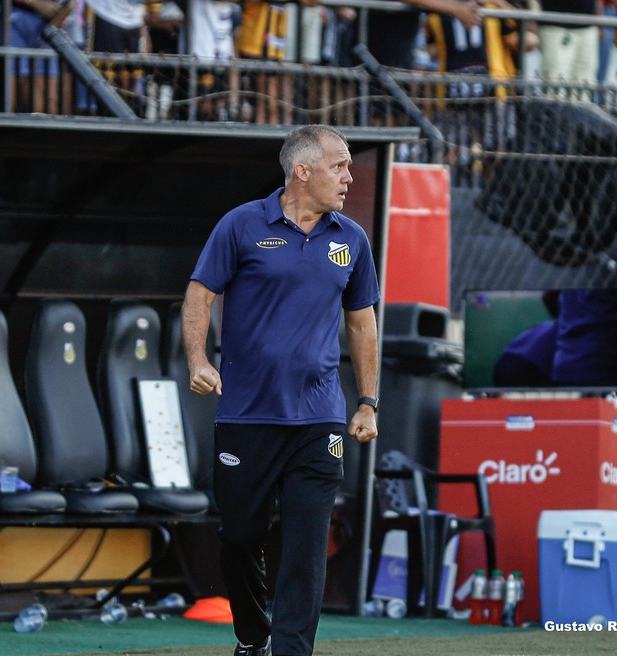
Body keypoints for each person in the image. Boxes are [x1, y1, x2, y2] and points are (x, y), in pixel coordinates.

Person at [182, 124, 380, 656]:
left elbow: (362, 323)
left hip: (320, 419)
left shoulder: (351, 239)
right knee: (240, 535)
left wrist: (367, 401)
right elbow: (200, 295)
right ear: (303, 170)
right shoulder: (241, 225)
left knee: (306, 547)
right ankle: (252, 637)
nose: (348, 176)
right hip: (246, 415)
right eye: (339, 165)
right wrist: (198, 359)